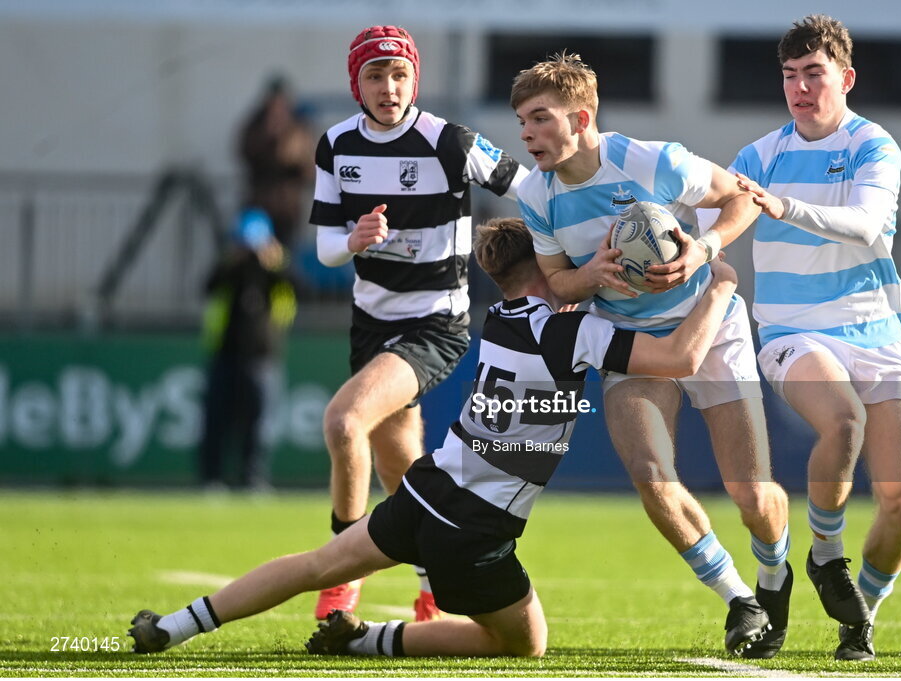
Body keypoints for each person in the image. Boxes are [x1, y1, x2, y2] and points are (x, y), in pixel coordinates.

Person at [127, 217, 744, 657]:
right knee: (525, 645)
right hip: (475, 528)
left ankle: (175, 626)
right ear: (545, 265)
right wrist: (718, 287)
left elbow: (556, 295)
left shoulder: (500, 321)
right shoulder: (572, 333)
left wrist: (585, 277)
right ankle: (370, 642)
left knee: (316, 564)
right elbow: (682, 358)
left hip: (430, 490)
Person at [511, 53, 792, 658]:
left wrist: (703, 250)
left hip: (708, 324)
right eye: (521, 122)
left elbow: (741, 198)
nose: (526, 134)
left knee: (751, 494)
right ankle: (741, 600)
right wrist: (591, 274)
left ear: (580, 117)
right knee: (651, 475)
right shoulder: (536, 194)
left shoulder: (652, 159)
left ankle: (773, 576)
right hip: (627, 340)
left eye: (539, 119)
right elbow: (557, 283)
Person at [704, 15, 901, 661]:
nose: (800, 88)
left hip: (876, 330)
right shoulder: (758, 157)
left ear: (845, 78)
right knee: (844, 421)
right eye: (789, 76)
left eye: (814, 74)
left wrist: (783, 206)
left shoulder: (873, 145)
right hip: (792, 331)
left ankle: (860, 615)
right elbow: (706, 215)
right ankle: (826, 554)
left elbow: (864, 224)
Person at [310, 25, 528, 622]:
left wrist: (563, 259)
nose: (388, 87)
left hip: (436, 323)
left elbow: (527, 188)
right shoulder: (335, 144)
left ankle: (339, 579)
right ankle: (434, 590)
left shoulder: (448, 141)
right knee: (400, 467)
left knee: (343, 422)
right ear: (356, 84)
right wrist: (352, 239)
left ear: (415, 80)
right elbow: (328, 244)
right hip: (371, 323)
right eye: (375, 76)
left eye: (399, 74)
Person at [197, 208, 296, 491]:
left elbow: (300, 288)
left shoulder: (277, 271)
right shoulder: (228, 267)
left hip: (263, 357)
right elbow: (208, 287)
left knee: (260, 424)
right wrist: (233, 260)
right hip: (225, 355)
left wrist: (274, 264)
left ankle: (253, 479)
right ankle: (211, 479)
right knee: (217, 419)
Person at [238, 75, 315, 250]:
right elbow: (246, 152)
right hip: (258, 208)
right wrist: (269, 134)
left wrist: (283, 136)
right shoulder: (256, 125)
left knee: (284, 258)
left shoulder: (297, 126)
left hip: (287, 210)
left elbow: (303, 162)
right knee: (255, 255)